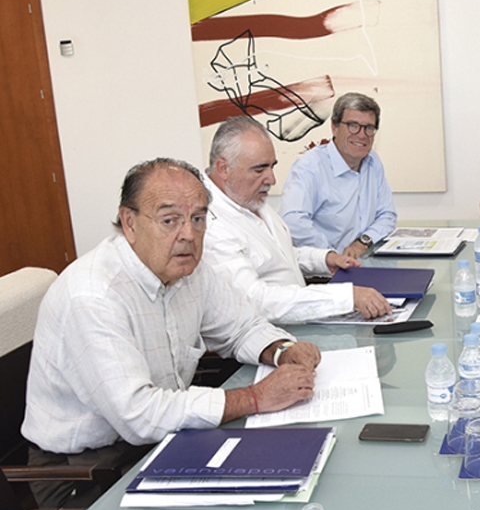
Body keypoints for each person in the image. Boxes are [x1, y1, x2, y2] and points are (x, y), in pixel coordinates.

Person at [22, 158, 321, 455]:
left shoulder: (189, 270)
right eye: (169, 220)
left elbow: (242, 327)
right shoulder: (93, 295)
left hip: (167, 435)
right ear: (129, 223)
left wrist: (282, 350)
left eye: (198, 219)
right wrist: (255, 398)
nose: (188, 234)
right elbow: (138, 415)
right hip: (89, 465)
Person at [203, 117, 391, 322]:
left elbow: (278, 255)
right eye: (259, 169)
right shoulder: (209, 225)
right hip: (272, 332)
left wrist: (324, 259)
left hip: (300, 320)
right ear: (223, 168)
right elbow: (254, 300)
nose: (272, 179)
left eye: (272, 167)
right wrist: (345, 298)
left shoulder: (249, 199)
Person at [280, 92, 397, 257]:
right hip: (323, 269)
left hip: (364, 262)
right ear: (334, 127)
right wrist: (332, 256)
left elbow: (387, 215)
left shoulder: (372, 161)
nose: (362, 134)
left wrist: (363, 242)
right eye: (353, 125)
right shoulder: (310, 167)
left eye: (369, 128)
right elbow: (292, 222)